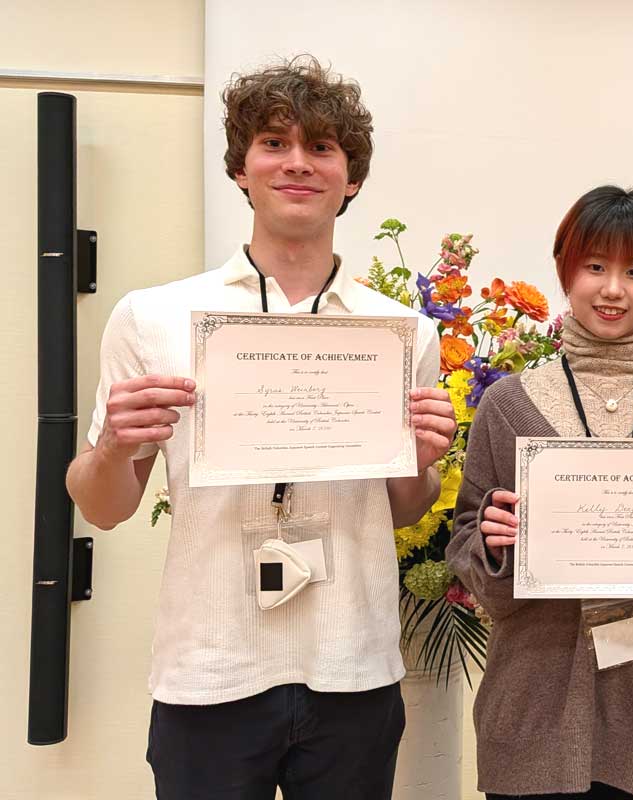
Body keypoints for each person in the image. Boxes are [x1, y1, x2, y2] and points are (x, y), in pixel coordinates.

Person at [65, 56, 456, 799]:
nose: (297, 164)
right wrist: (114, 446)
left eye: (322, 148)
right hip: (210, 666)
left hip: (354, 666)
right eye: (274, 143)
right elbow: (102, 506)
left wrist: (424, 456)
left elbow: (404, 506)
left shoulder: (401, 331)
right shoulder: (154, 316)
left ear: (353, 178)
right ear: (241, 169)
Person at [446, 186, 633, 800]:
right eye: (595, 267)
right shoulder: (507, 407)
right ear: (566, 271)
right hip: (530, 712)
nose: (613, 289)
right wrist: (494, 543)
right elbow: (468, 554)